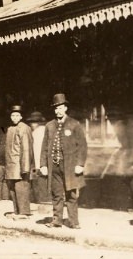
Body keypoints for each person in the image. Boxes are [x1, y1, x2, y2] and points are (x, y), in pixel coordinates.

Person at [40, 93, 87, 229]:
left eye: (60, 107)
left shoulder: (74, 124)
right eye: (56, 108)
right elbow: (44, 147)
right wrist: (43, 165)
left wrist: (80, 164)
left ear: (66, 108)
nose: (58, 111)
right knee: (56, 194)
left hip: (70, 166)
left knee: (71, 194)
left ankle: (73, 221)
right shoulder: (49, 126)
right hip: (54, 166)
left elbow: (82, 146)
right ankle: (57, 220)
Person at [4, 104, 34, 219]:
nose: (14, 117)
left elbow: (26, 149)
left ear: (21, 117)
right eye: (13, 115)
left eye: (17, 115)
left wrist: (25, 168)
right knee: (13, 189)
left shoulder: (24, 128)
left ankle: (24, 212)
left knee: (21, 188)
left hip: (20, 166)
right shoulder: (10, 128)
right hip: (11, 165)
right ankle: (16, 211)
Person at [27, 111, 49, 204]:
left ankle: (42, 199)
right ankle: (42, 198)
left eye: (34, 122)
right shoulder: (42, 130)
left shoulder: (38, 131)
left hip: (38, 160)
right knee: (40, 179)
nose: (32, 124)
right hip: (39, 160)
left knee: (39, 180)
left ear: (39, 122)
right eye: (32, 122)